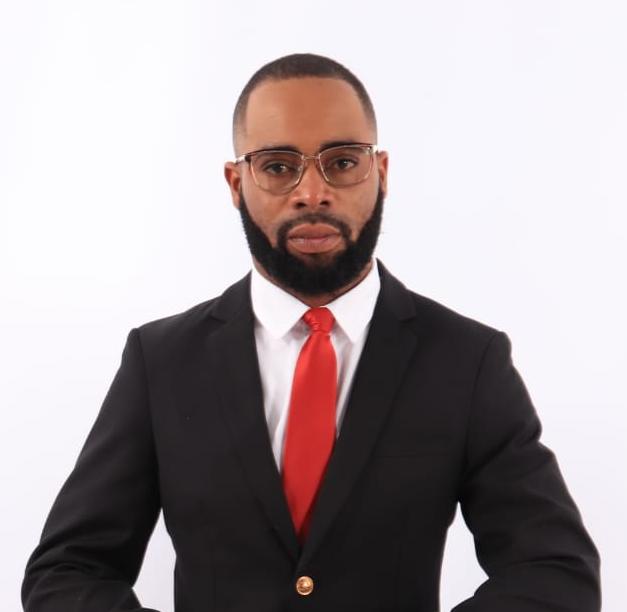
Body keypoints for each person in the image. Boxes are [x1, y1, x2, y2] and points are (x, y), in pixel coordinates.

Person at [22, 53, 600, 612]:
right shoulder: (161, 361)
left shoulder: (467, 361)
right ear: (235, 182)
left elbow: (554, 571)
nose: (312, 192)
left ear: (381, 173)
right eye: (278, 166)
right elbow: (67, 573)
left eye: (342, 162)